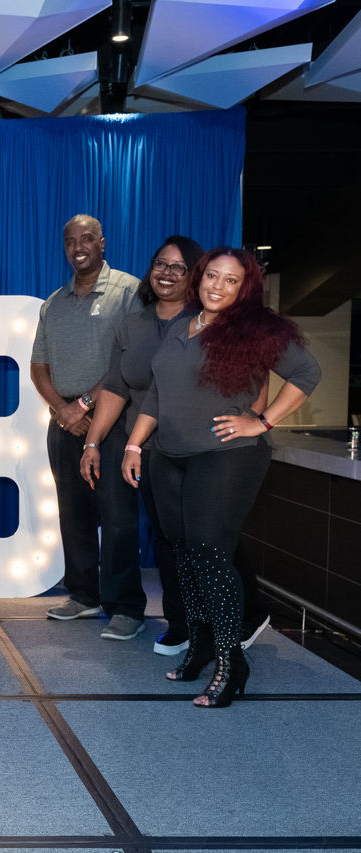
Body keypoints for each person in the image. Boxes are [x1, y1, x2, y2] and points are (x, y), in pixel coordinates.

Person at [122, 247, 319, 708]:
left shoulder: (257, 329)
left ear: (244, 287)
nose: (218, 286)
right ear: (200, 277)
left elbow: (307, 372)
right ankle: (202, 642)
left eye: (231, 281)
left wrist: (262, 421)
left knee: (210, 553)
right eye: (212, 275)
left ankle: (233, 662)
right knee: (184, 554)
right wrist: (134, 444)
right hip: (167, 456)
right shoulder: (181, 324)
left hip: (225, 456)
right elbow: (156, 391)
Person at [79, 236, 204, 654]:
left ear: (195, 275)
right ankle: (148, 615)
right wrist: (92, 442)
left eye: (178, 267)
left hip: (185, 449)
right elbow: (115, 387)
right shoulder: (133, 324)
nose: (166, 274)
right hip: (132, 445)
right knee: (137, 531)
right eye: (160, 265)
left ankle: (201, 618)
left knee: (188, 537)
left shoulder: (207, 321)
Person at [30, 214, 146, 640]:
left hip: (114, 421)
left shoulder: (130, 292)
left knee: (117, 515)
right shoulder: (54, 303)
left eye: (87, 239)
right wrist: (64, 409)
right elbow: (38, 365)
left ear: (102, 243)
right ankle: (84, 595)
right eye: (70, 241)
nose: (79, 246)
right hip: (64, 423)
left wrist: (84, 405)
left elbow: (131, 361)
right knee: (73, 512)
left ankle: (127, 606)